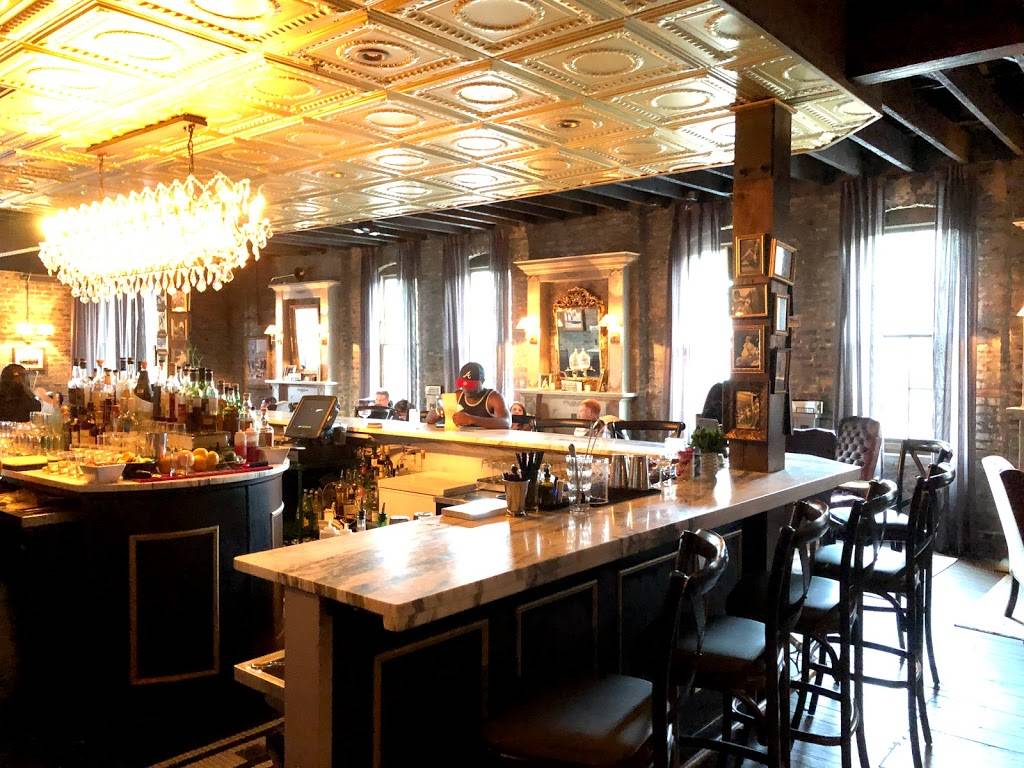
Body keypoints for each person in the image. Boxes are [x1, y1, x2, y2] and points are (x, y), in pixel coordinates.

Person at [426, 362, 510, 429]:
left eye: (471, 384)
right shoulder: (458, 395)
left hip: (487, 443)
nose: (466, 388)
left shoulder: (493, 397)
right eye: (463, 383)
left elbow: (506, 422)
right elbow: (429, 419)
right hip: (462, 441)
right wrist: (438, 412)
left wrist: (471, 419)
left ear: (482, 381)